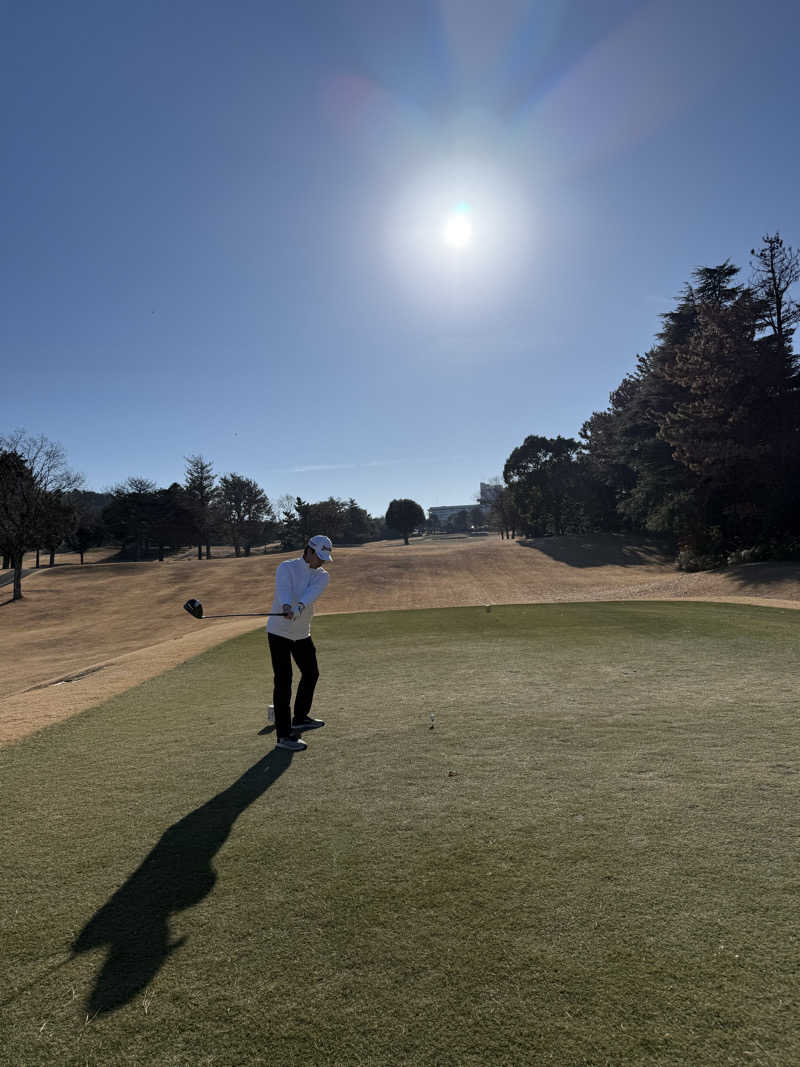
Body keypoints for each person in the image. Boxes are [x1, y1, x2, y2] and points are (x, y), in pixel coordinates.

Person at [267, 534, 333, 751]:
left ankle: (300, 717)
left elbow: (310, 594)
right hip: (278, 632)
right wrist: (287, 606)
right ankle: (283, 735)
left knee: (311, 673)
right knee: (283, 681)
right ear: (309, 551)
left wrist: (298, 608)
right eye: (319, 556)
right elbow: (283, 590)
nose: (322, 561)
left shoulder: (322, 576)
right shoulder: (286, 567)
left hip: (302, 632)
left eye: (325, 558)